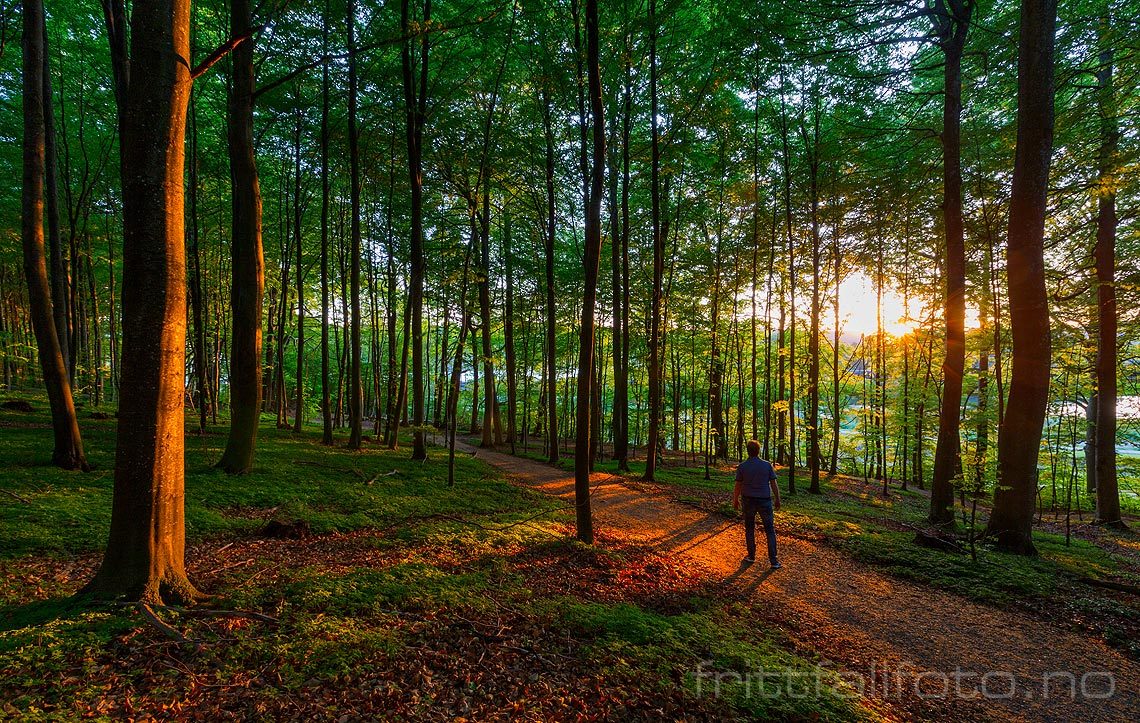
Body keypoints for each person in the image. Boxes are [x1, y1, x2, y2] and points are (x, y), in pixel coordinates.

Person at [732, 439, 781, 568]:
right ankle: (774, 561)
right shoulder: (767, 465)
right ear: (758, 451)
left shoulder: (742, 466)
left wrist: (735, 499)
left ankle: (751, 556)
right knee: (770, 530)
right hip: (765, 500)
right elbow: (773, 483)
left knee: (749, 528)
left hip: (748, 500)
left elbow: (738, 485)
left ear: (748, 451)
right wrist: (777, 498)